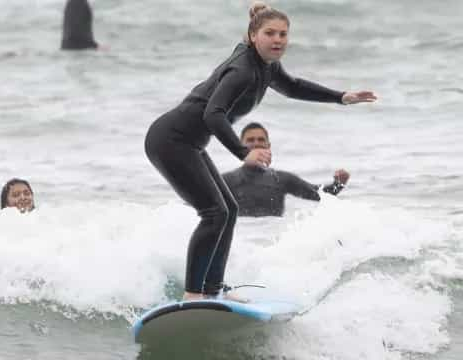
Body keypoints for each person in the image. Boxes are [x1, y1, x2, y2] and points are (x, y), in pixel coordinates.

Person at [144, 2, 377, 302]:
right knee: (214, 213)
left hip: (188, 143)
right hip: (169, 141)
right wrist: (244, 153)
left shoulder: (265, 65)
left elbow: (293, 87)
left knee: (228, 211)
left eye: (283, 34)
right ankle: (193, 294)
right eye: (270, 33)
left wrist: (341, 97)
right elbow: (213, 114)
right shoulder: (242, 70)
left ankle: (213, 290)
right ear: (254, 36)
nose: (278, 39)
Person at [223, 122, 350, 217]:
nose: (256, 143)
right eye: (250, 140)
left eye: (261, 139)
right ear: (240, 145)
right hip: (240, 241)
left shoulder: (281, 179)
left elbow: (319, 195)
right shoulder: (225, 181)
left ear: (268, 145)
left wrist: (339, 184)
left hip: (268, 240)